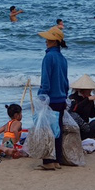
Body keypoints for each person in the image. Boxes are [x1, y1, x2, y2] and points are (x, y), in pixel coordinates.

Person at [37, 25, 69, 170]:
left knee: (47, 130)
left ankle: (49, 161)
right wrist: (65, 96)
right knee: (58, 130)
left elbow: (45, 81)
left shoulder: (48, 57)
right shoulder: (63, 59)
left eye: (48, 39)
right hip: (61, 99)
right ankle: (57, 159)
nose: (46, 41)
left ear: (54, 41)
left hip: (50, 99)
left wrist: (42, 97)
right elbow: (65, 82)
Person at [68, 74, 95, 140]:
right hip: (75, 126)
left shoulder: (89, 99)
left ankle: (88, 141)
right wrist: (88, 99)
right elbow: (74, 109)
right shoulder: (73, 97)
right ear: (82, 90)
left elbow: (91, 115)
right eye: (89, 90)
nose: (90, 91)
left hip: (85, 126)